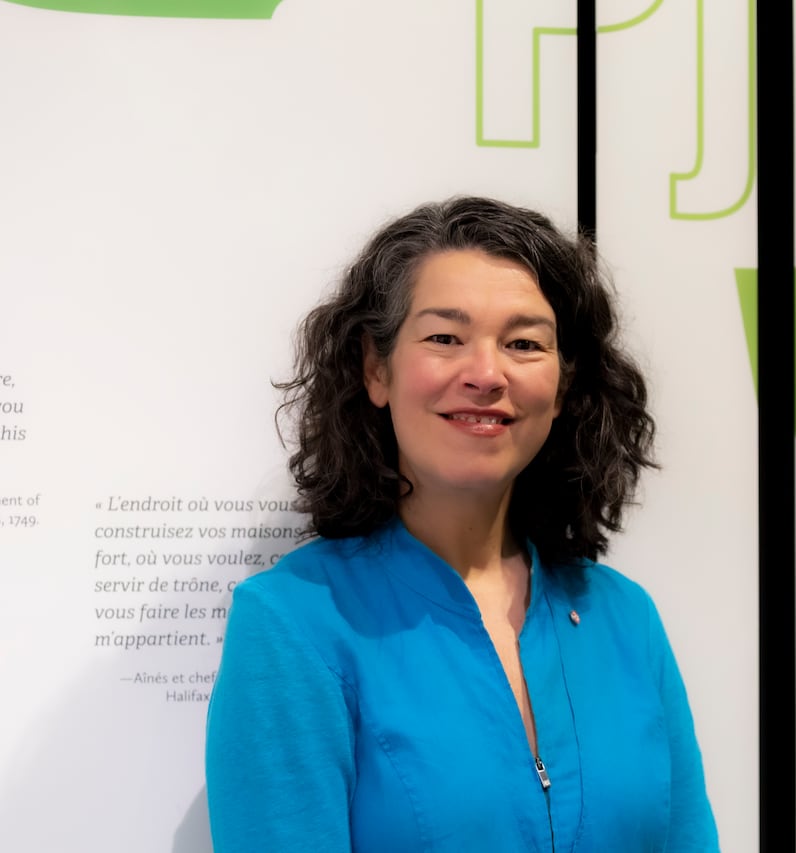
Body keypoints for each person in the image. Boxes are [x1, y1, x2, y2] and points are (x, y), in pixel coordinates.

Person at [205, 196, 719, 851]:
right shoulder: (294, 624)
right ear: (375, 367)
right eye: (445, 337)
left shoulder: (625, 618)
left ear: (562, 387)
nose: (486, 374)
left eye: (524, 343)